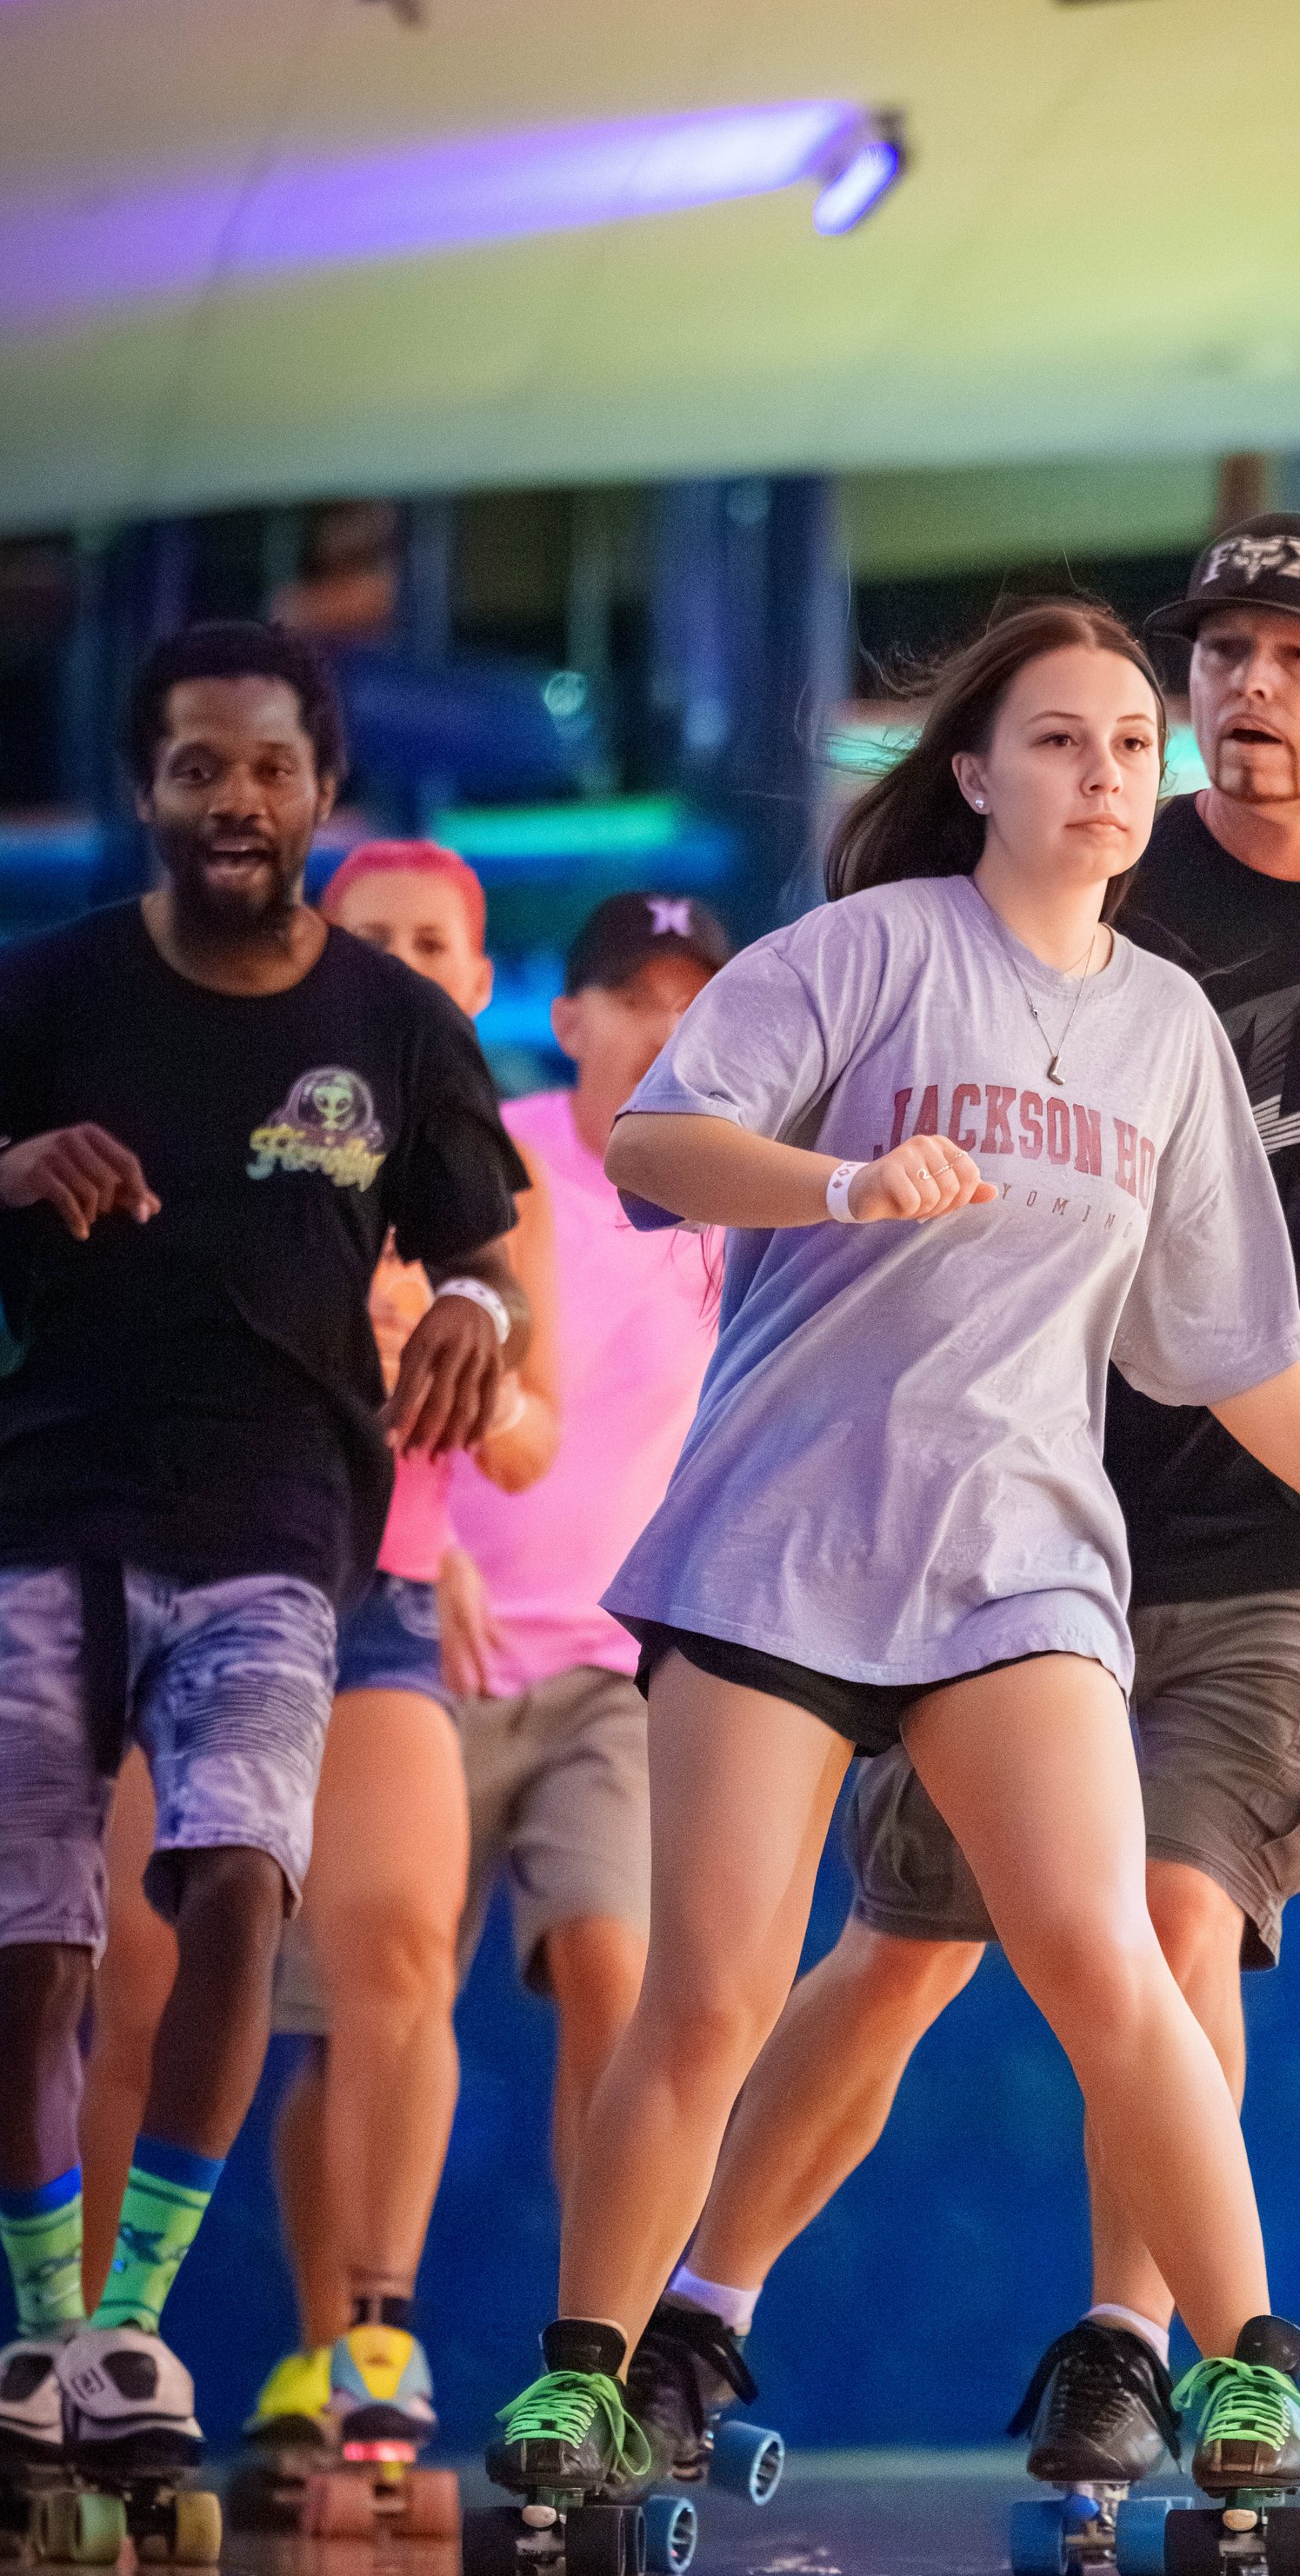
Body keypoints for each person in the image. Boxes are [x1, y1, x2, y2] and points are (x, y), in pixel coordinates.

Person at [475, 594, 1300, 2525]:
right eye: (1058, 740)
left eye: (1132, 743)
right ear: (972, 776)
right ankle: (584, 2390)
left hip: (1015, 1565)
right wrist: (845, 1183)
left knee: (1113, 1964)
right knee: (706, 2001)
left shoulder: (1165, 1032)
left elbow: (1232, 1354)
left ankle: (1249, 2388)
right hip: (777, 1544)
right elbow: (659, 1147)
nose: (1106, 772)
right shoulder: (867, 953)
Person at [0, 621, 527, 2492]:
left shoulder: (396, 1027)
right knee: (38, 1949)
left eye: (267, 768)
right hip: (41, 1524)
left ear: (318, 791)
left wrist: (478, 1307)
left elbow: (485, 1237)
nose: (234, 801)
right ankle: (40, 2327)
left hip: (279, 1528)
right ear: (145, 792)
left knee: (241, 1884)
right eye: (197, 768)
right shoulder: (37, 991)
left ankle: (132, 2334)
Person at [78, 838, 562, 2482]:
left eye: (439, 938)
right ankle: (89, 2346)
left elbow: (531, 1437)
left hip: (382, 1597)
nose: (408, 960)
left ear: (482, 980)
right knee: (132, 1986)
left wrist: (463, 1354)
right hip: (186, 1562)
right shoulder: (217, 1111)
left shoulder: (497, 1178)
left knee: (401, 1954)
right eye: (377, 936)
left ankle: (372, 2334)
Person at [436, 890, 730, 2299]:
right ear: (566, 1020)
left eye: (695, 994)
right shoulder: (484, 1167)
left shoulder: (747, 1203)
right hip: (432, 1645)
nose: (669, 1021)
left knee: (618, 1986)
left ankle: (592, 2362)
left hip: (625, 1670)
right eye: (635, 994)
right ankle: (346, 2352)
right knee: (380, 2006)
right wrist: (415, 1551)